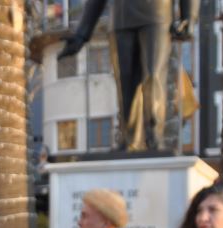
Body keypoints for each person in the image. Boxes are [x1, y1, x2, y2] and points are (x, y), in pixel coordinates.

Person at [59, 0, 199, 151]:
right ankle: (129, 139)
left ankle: (154, 138)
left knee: (153, 77)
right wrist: (82, 33)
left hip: (157, 14)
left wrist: (189, 16)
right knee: (125, 81)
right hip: (121, 18)